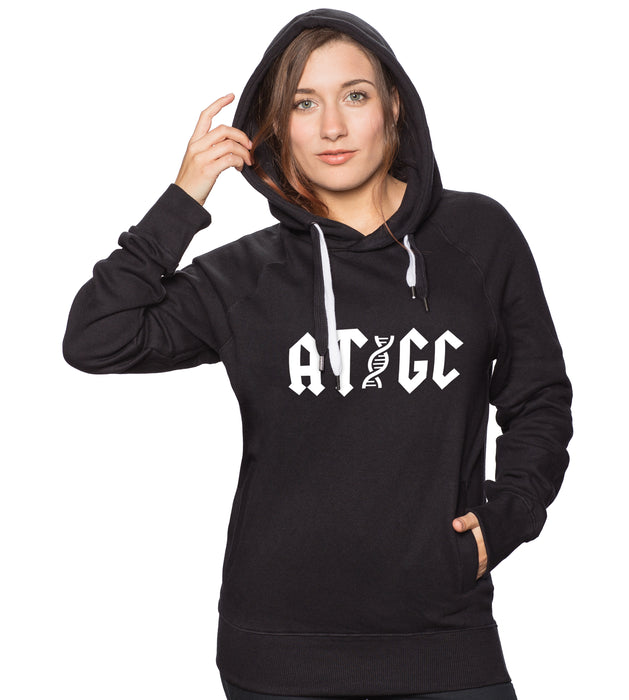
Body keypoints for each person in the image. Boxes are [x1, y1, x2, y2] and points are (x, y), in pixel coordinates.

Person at [62, 8, 573, 700]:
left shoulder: (478, 237)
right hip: (279, 657)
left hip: (445, 642)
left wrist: (509, 516)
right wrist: (183, 200)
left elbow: (538, 396)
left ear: (393, 107)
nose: (332, 126)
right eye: (304, 103)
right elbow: (97, 336)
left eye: (354, 96)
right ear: (276, 126)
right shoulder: (246, 277)